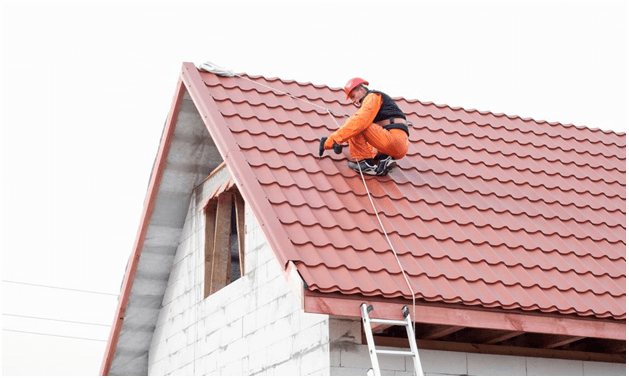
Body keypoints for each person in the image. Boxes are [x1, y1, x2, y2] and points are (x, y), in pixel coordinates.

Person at [318, 78, 410, 176]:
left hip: (392, 140)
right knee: (356, 127)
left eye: (353, 96)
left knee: (354, 123)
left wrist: (332, 141)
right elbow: (370, 134)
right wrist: (343, 141)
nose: (353, 101)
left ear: (361, 90)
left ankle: (367, 163)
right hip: (399, 147)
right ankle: (384, 159)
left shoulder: (372, 97)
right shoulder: (378, 102)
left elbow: (358, 123)